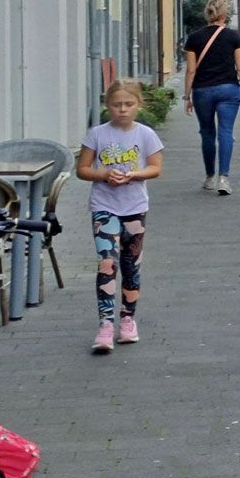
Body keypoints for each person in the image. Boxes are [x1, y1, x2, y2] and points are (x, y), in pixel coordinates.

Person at [76, 78, 164, 355]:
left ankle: (127, 319)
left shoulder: (145, 134)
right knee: (107, 262)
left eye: (128, 104)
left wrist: (134, 175)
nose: (122, 110)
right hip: (104, 206)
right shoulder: (97, 134)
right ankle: (105, 324)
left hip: (135, 207)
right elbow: (83, 169)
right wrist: (104, 174)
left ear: (138, 104)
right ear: (107, 106)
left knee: (131, 265)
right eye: (116, 105)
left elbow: (155, 168)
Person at [183, 0, 240, 194]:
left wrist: (187, 96)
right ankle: (224, 179)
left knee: (207, 133)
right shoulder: (234, 37)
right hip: (228, 90)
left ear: (207, 14)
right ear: (225, 15)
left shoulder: (194, 38)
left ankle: (210, 177)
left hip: (202, 91)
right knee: (226, 133)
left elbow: (190, 70)